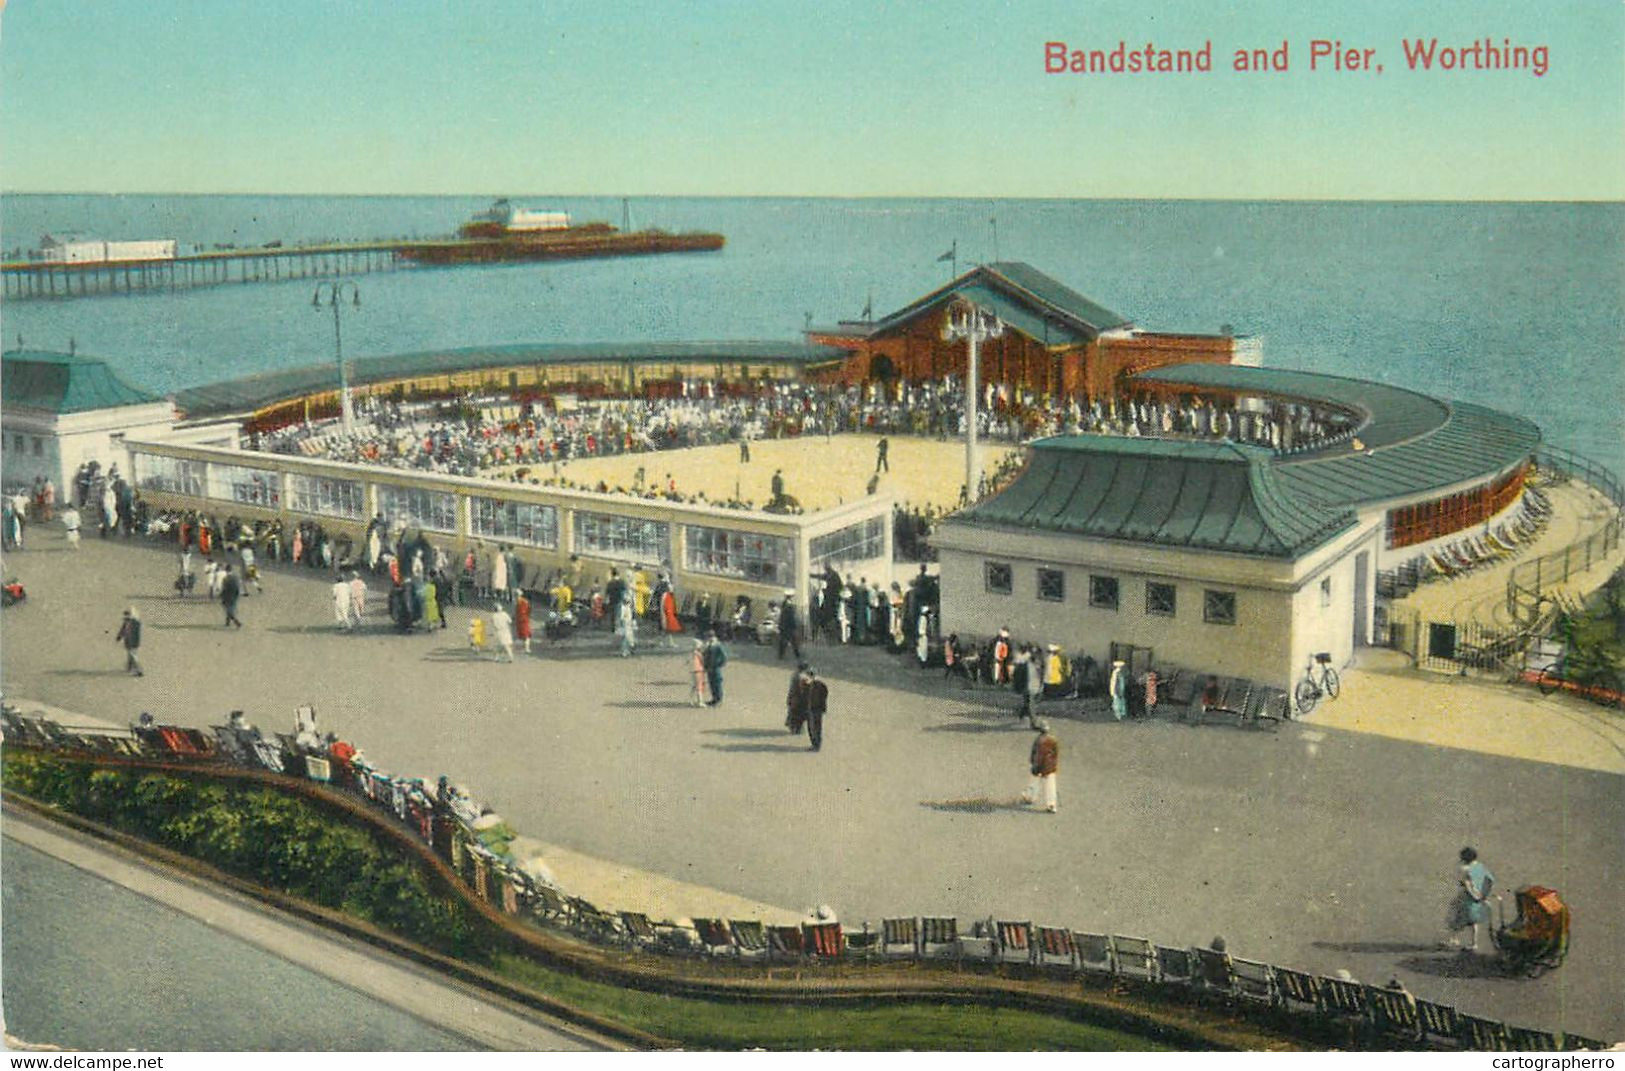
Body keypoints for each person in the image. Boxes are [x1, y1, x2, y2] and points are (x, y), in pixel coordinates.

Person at [1446, 847, 1495, 951]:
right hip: (1479, 898)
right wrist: (1483, 895)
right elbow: (1490, 880)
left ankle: (1453, 939)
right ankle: (1474, 943)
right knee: (1474, 922)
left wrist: (1473, 894)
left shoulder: (1465, 869)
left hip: (1467, 898)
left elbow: (1466, 885)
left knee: (1456, 916)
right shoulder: (1481, 867)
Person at [1023, 720, 1059, 813]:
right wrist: (1054, 765)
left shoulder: (1038, 741)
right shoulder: (1053, 740)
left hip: (1039, 766)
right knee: (1050, 787)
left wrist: (1034, 764)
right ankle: (1051, 805)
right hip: (1050, 766)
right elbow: (1056, 753)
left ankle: (1030, 797)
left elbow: (1036, 755)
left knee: (1034, 783)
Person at [805, 668, 830, 751]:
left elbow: (824, 696)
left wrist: (822, 707)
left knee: (816, 727)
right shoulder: (806, 685)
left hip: (816, 709)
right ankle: (814, 743)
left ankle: (816, 745)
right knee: (811, 727)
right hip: (810, 709)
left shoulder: (820, 685)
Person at [115, 607, 144, 677]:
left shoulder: (136, 623)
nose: (126, 618)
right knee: (130, 655)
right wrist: (119, 636)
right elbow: (123, 630)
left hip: (133, 643)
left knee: (133, 656)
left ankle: (138, 670)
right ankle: (130, 667)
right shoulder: (126, 622)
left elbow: (135, 634)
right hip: (128, 642)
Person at [702, 630, 728, 706]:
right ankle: (714, 699)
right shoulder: (708, 645)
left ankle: (719, 700)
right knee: (712, 684)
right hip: (709, 668)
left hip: (715, 668)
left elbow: (724, 657)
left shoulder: (717, 645)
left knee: (717, 684)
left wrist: (719, 664)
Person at [777, 590, 802, 661]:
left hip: (784, 625)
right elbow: (791, 617)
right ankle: (797, 654)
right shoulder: (789, 605)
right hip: (789, 626)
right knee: (793, 641)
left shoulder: (784, 604)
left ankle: (781, 654)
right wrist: (794, 625)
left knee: (783, 641)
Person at [786, 661, 810, 734]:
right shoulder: (803, 677)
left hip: (797, 698)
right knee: (798, 714)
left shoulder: (796, 676)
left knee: (796, 713)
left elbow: (792, 689)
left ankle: (794, 727)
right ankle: (796, 727)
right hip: (800, 699)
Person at [689, 638, 710, 706]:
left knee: (695, 686)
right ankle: (699, 701)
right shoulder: (697, 653)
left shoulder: (692, 653)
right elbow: (703, 661)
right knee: (699, 686)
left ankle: (691, 699)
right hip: (698, 670)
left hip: (693, 671)